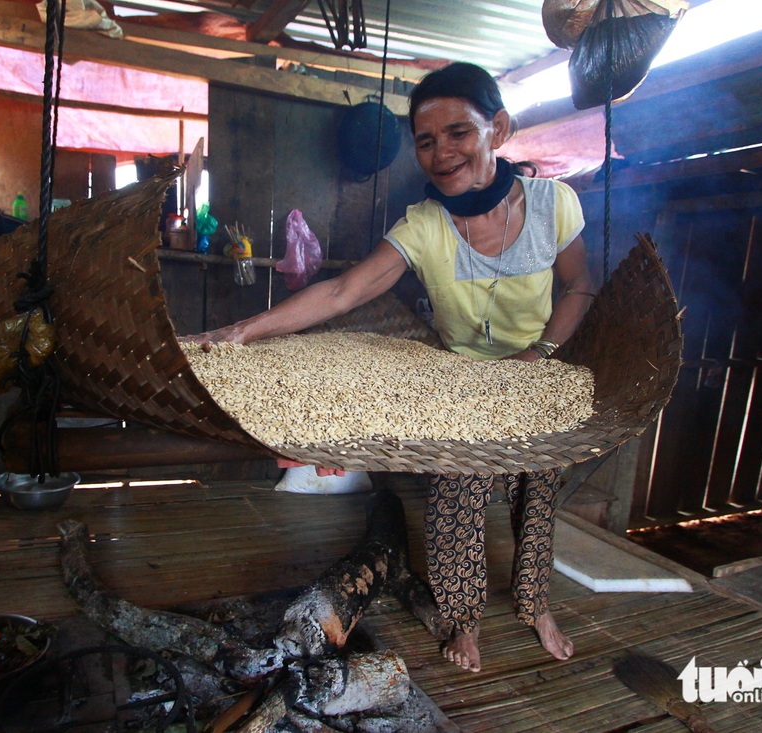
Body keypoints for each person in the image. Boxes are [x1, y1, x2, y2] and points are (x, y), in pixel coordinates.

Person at [184, 62, 594, 672]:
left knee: (539, 485)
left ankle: (536, 605)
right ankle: (463, 618)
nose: (441, 153)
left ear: (499, 129)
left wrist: (540, 356)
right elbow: (344, 292)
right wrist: (239, 332)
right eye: (426, 141)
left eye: (459, 132)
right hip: (460, 377)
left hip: (541, 369)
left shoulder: (553, 203)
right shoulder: (425, 225)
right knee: (460, 485)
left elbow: (581, 287)